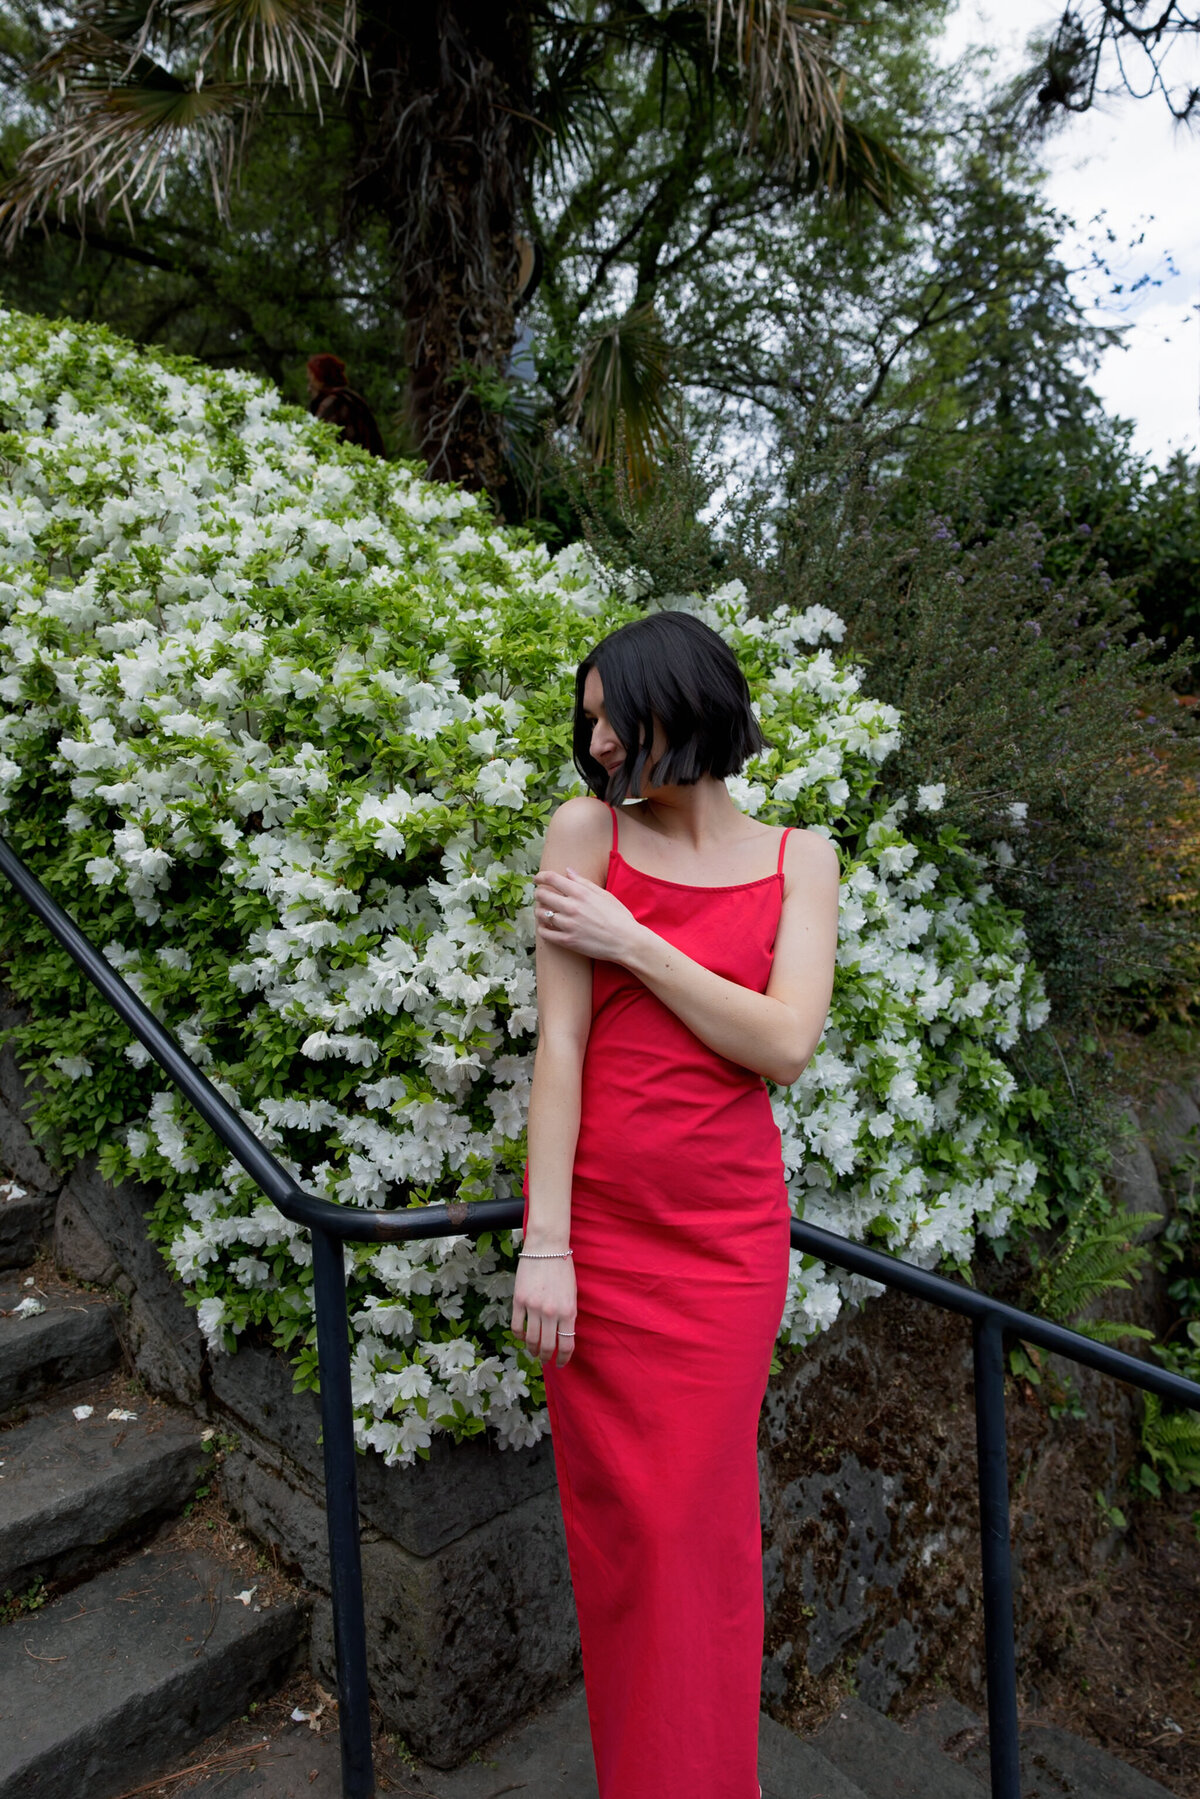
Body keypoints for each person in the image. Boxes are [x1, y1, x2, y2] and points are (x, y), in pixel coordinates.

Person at [514, 610, 840, 1799]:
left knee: (702, 1531)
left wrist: (632, 943)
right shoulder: (584, 835)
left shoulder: (802, 855)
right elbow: (560, 1047)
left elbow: (784, 1041)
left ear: (683, 700)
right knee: (632, 1542)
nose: (595, 740)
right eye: (586, 718)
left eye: (611, 712)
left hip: (725, 1247)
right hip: (599, 1238)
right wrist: (545, 1242)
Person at [305, 353, 386, 457]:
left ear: (321, 379)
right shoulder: (350, 398)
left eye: (311, 379)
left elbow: (317, 439)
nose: (309, 387)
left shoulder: (334, 402)